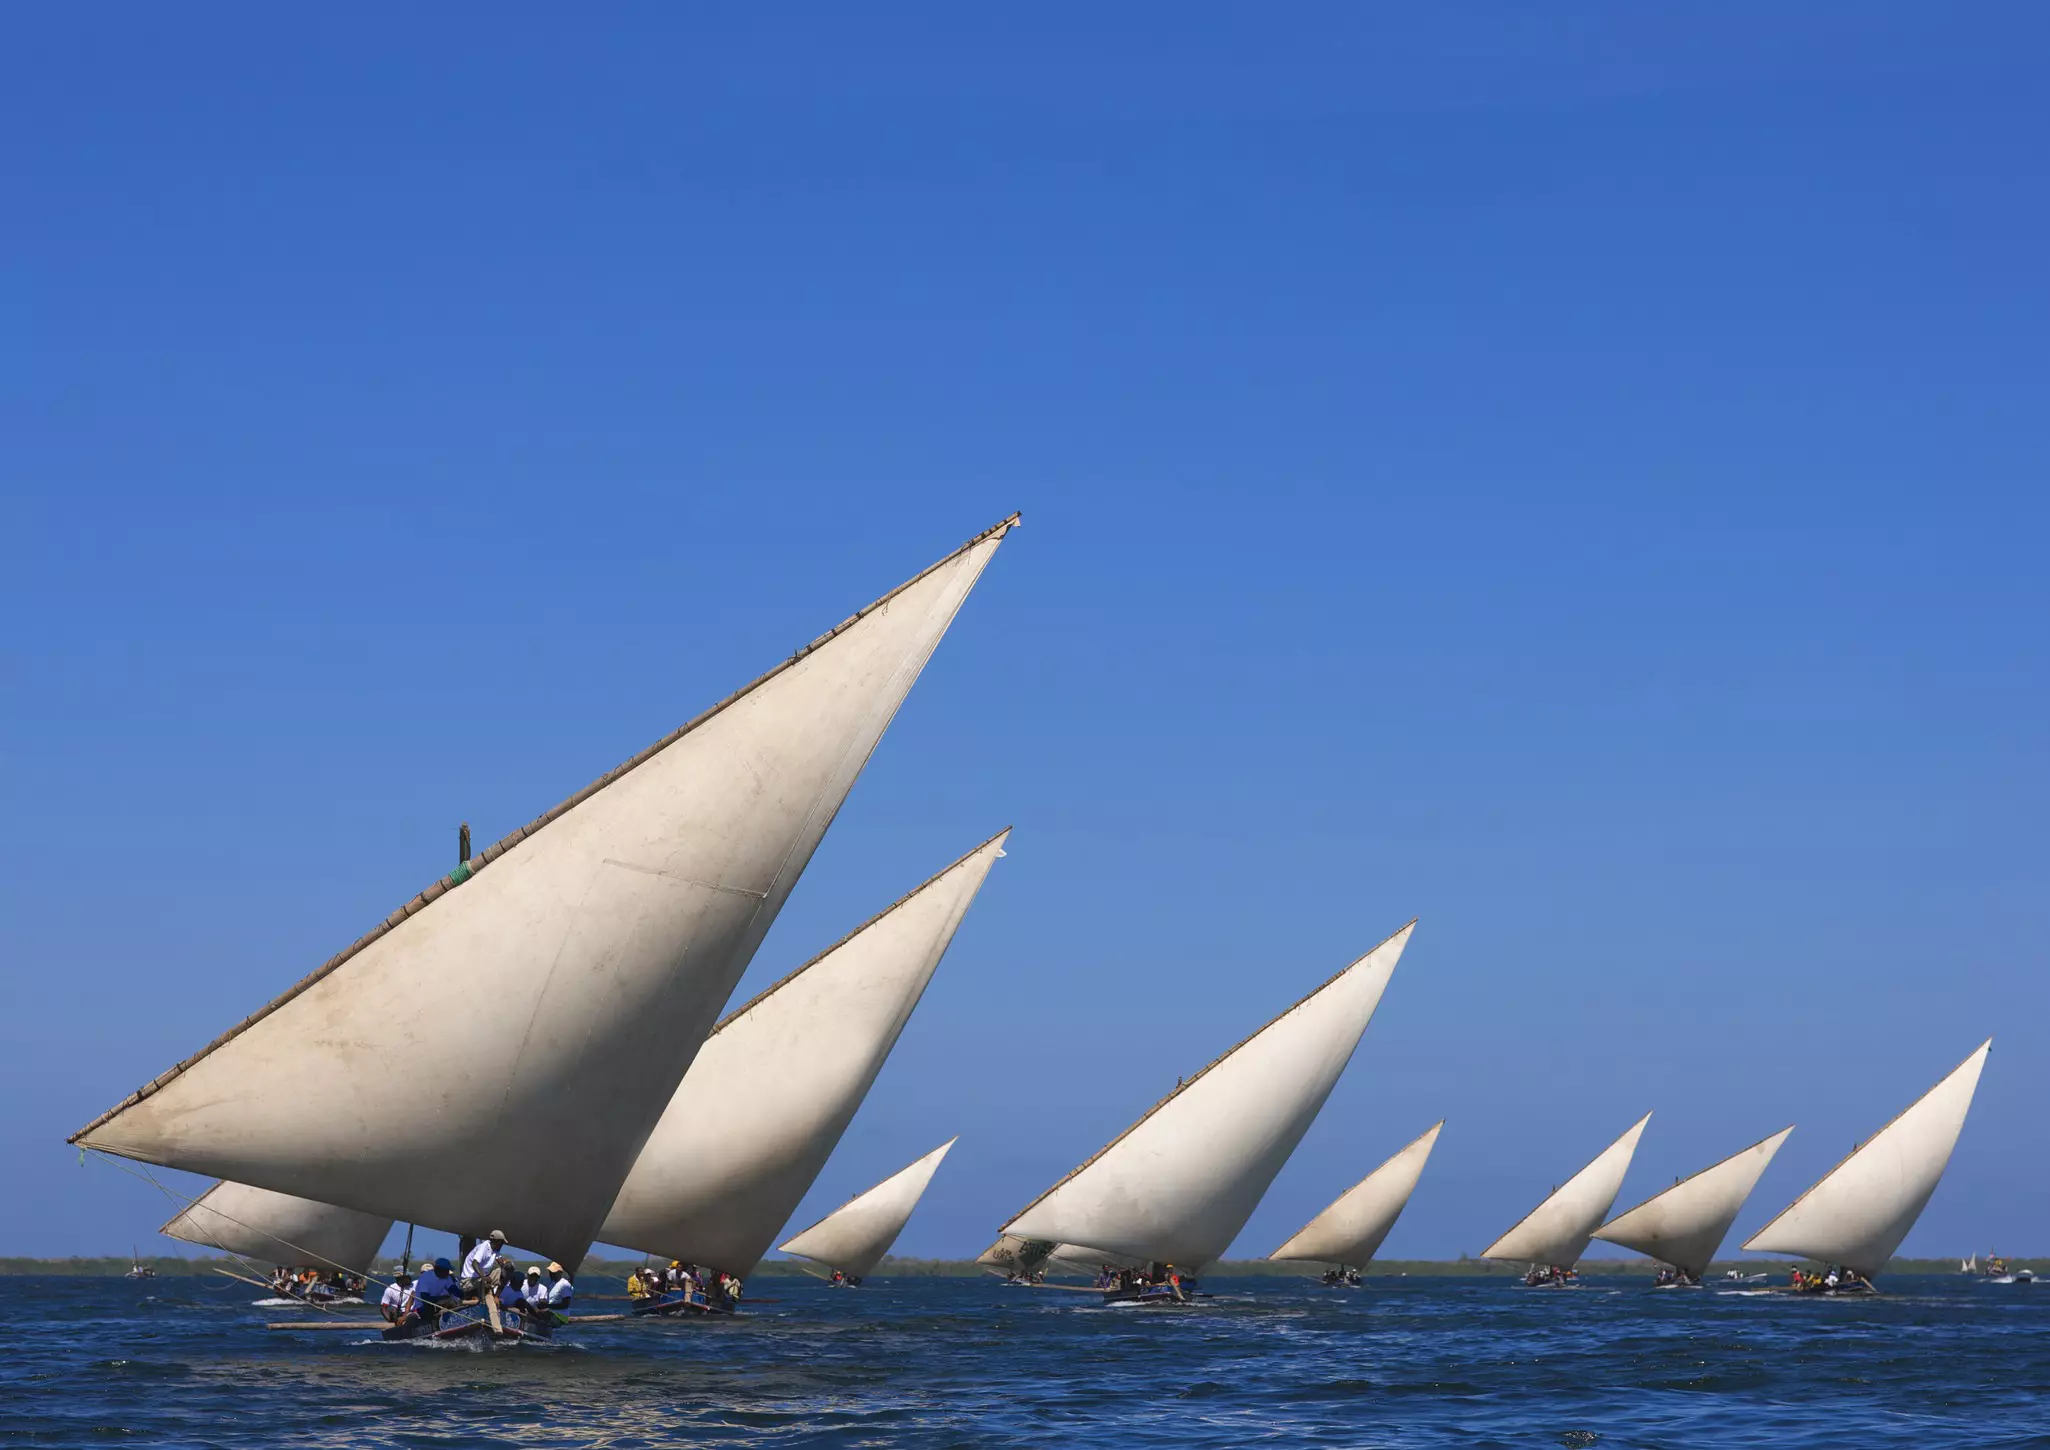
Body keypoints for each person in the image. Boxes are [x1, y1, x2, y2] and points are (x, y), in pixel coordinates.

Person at [461, 1230, 509, 1296]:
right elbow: (474, 1263)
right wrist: (484, 1278)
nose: (502, 1245)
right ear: (498, 1242)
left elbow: (501, 1261)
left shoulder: (495, 1250)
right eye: (502, 1243)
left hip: (479, 1278)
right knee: (497, 1271)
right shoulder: (484, 1248)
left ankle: (495, 1294)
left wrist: (506, 1265)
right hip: (469, 1281)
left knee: (500, 1270)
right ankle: (487, 1294)